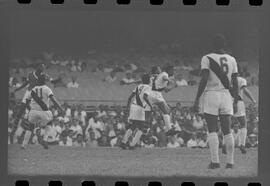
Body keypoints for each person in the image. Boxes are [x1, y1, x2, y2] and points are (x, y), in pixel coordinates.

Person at [193, 34, 239, 169]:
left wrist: (197, 98)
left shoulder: (207, 58)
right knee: (227, 130)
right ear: (224, 45)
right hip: (226, 95)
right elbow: (235, 81)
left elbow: (204, 78)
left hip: (212, 94)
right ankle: (230, 162)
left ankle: (215, 162)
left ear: (212, 45)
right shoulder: (232, 59)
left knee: (212, 130)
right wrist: (235, 100)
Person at [20, 74, 63, 149]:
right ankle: (45, 139)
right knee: (50, 122)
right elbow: (53, 99)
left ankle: (23, 145)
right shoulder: (47, 88)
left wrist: (30, 109)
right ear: (44, 81)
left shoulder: (33, 89)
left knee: (30, 127)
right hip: (44, 111)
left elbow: (27, 100)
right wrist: (60, 108)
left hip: (33, 111)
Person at [10, 63, 47, 144]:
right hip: (29, 92)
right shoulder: (31, 74)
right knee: (20, 112)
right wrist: (17, 89)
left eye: (44, 67)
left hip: (36, 95)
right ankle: (13, 131)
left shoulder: (43, 76)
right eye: (42, 67)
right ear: (38, 67)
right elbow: (26, 83)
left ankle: (33, 136)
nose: (43, 68)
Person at [120, 73, 153, 150]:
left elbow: (130, 97)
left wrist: (128, 106)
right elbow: (145, 97)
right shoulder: (148, 87)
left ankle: (123, 142)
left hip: (133, 106)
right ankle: (132, 144)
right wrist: (151, 106)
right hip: (140, 107)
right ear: (148, 80)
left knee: (133, 125)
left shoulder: (138, 86)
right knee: (141, 127)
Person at [232, 67, 256, 154]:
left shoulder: (227, 79)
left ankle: (224, 144)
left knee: (226, 123)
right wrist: (253, 99)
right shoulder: (241, 80)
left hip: (227, 102)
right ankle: (242, 144)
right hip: (238, 101)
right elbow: (245, 90)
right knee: (243, 123)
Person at [148, 65, 178, 136]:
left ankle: (169, 129)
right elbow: (165, 78)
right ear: (169, 70)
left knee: (165, 111)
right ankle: (169, 129)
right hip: (156, 94)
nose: (173, 72)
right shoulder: (165, 74)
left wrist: (173, 86)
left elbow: (166, 90)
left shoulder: (159, 75)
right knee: (167, 111)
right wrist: (170, 80)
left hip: (152, 93)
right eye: (172, 70)